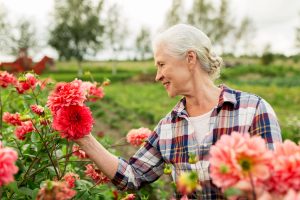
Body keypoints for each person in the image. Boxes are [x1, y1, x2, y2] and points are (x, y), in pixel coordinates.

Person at [75, 24, 282, 199]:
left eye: (162, 64)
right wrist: (85, 139)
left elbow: (276, 185)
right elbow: (132, 176)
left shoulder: (253, 110)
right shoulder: (168, 127)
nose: (157, 76)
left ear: (190, 59)